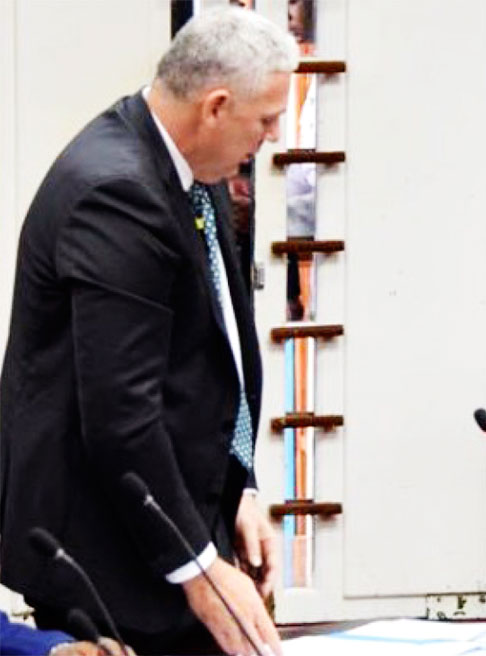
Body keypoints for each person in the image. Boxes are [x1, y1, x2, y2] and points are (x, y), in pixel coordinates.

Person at [0, 8, 298, 656]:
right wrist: (198, 567)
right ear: (215, 106)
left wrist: (238, 483)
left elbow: (209, 351)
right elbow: (121, 413)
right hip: (109, 551)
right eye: (267, 118)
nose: (275, 136)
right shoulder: (116, 191)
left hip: (176, 513)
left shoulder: (197, 168)